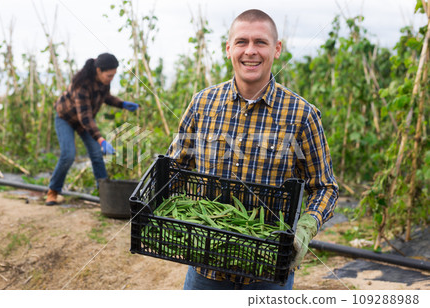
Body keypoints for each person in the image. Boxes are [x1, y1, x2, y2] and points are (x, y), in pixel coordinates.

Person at [167, 9, 338, 290]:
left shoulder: (301, 115)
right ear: (228, 49)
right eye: (241, 42)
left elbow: (325, 186)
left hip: (268, 268)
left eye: (260, 42)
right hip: (205, 265)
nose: (250, 51)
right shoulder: (202, 104)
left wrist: (307, 224)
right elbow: (175, 166)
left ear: (277, 49)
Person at [45, 53, 139, 205]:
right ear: (99, 70)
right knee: (68, 155)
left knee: (96, 154)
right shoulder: (81, 85)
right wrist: (100, 139)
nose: (111, 79)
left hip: (84, 120)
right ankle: (53, 191)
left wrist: (121, 104)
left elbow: (105, 97)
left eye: (114, 75)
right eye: (109, 75)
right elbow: (86, 118)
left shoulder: (104, 82)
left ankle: (104, 195)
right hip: (66, 118)